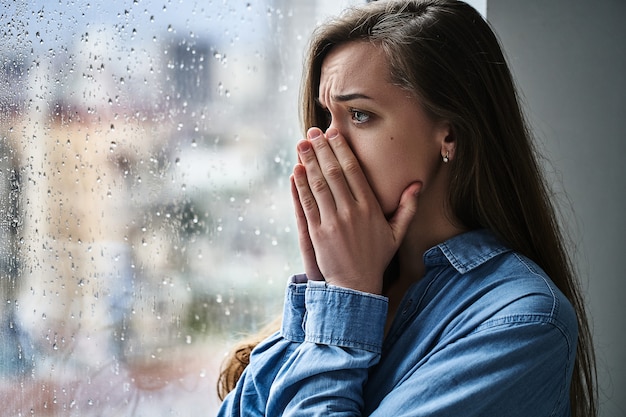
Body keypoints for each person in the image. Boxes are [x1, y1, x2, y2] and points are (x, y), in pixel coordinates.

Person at [216, 0, 597, 416]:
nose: (325, 144)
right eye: (327, 117)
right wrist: (323, 290)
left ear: (448, 135)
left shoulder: (522, 321)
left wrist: (345, 296)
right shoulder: (358, 280)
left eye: (360, 115)